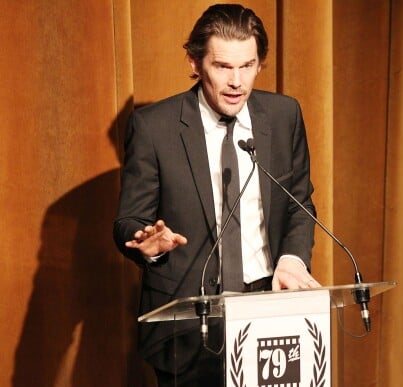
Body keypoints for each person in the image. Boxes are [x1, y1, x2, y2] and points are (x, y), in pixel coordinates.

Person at [113, 4, 321, 386]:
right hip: (188, 322)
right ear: (195, 63)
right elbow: (129, 220)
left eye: (247, 66)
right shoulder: (153, 127)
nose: (236, 81)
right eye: (223, 67)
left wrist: (293, 258)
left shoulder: (284, 115)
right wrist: (150, 244)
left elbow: (299, 202)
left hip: (270, 305)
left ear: (260, 64)